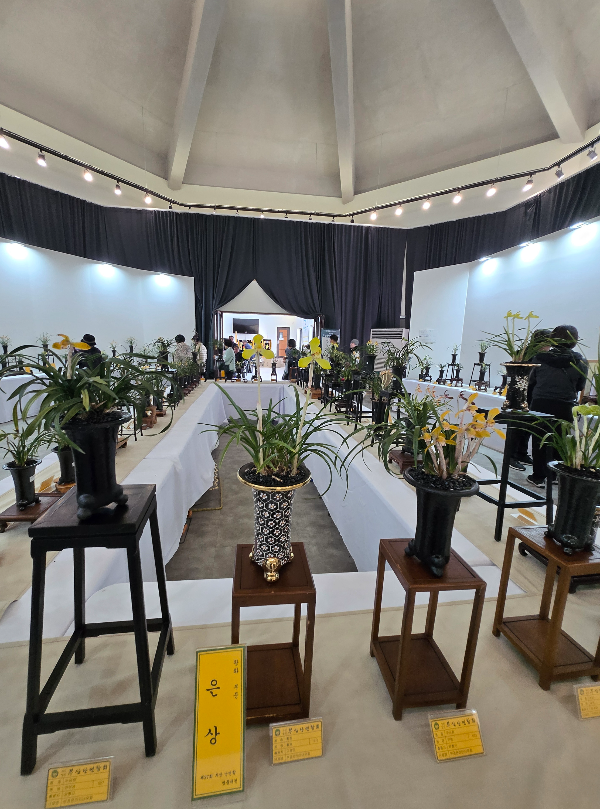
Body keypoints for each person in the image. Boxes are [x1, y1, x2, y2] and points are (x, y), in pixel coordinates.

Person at [526, 325, 588, 488]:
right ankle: (554, 475)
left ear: (552, 339)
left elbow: (532, 381)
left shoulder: (539, 358)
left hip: (541, 403)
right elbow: (580, 386)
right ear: (574, 341)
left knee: (540, 439)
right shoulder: (580, 361)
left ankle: (538, 477)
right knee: (560, 440)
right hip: (565, 405)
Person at [509, 329, 552, 471]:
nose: (550, 346)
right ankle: (510, 456)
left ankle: (521, 453)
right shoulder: (525, 354)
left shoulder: (541, 356)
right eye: (549, 342)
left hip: (532, 394)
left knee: (528, 426)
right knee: (518, 426)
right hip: (521, 394)